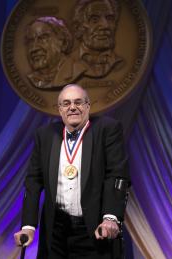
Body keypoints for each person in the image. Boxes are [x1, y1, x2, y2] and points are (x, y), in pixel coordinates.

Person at [14, 84, 130, 258]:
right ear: (60, 110)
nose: (72, 107)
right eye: (66, 103)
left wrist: (110, 218)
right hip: (56, 229)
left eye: (78, 102)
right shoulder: (45, 134)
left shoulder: (107, 129)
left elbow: (117, 175)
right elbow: (33, 181)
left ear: (88, 106)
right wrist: (28, 226)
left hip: (94, 226)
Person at [56, 0, 124, 85]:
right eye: (94, 20)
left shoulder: (121, 63)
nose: (105, 25)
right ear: (78, 28)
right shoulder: (66, 66)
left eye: (109, 19)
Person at [25, 16, 72, 88]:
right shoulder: (31, 79)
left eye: (43, 38)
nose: (34, 48)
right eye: (30, 41)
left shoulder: (76, 70)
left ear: (63, 43)